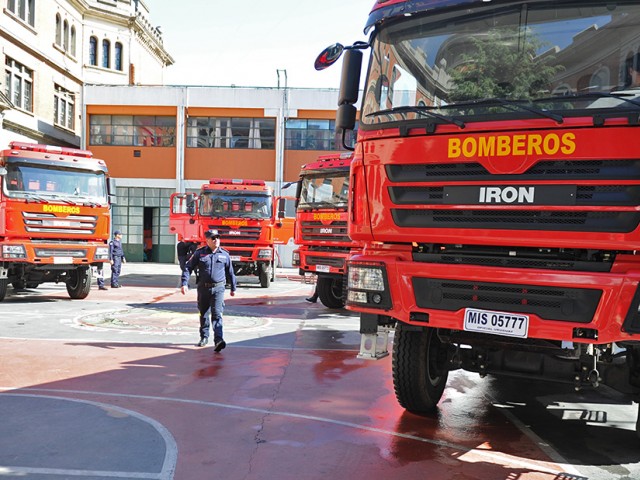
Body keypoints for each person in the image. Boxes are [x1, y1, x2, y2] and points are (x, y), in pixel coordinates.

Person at [181, 229, 237, 352]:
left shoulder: (224, 254)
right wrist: (184, 283)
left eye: (217, 237)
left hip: (218, 288)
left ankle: (218, 340)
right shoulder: (199, 253)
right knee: (204, 313)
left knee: (217, 314)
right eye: (213, 238)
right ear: (207, 240)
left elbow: (230, 272)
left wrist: (233, 287)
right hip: (203, 288)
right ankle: (204, 337)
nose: (216, 240)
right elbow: (188, 267)